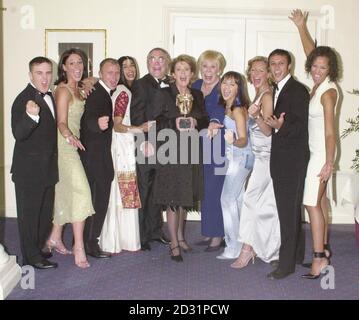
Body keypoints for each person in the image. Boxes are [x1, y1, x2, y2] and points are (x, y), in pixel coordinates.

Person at [290, 9, 340, 279]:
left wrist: (329, 162)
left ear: (330, 69)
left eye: (323, 67)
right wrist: (301, 27)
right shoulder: (319, 84)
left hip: (322, 154)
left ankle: (319, 258)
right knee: (318, 204)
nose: (318, 70)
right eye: (315, 66)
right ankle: (324, 251)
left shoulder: (328, 93)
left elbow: (331, 133)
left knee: (311, 204)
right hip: (314, 153)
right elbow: (313, 52)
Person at [152, 54, 209, 261]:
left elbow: (204, 119)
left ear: (192, 74)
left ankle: (181, 237)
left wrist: (195, 122)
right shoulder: (164, 93)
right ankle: (174, 242)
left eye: (187, 70)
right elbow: (155, 121)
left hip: (190, 150)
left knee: (185, 196)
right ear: (173, 73)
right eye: (179, 70)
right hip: (170, 149)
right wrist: (174, 122)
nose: (183, 73)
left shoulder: (197, 94)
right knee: (172, 197)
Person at [45, 48, 94, 269]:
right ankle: (79, 247)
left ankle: (55, 237)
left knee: (65, 192)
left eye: (80, 63)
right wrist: (69, 136)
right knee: (82, 191)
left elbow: (92, 79)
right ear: (63, 67)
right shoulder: (63, 90)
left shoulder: (80, 88)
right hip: (64, 146)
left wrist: (90, 81)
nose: (77, 67)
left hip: (74, 147)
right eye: (71, 63)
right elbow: (61, 121)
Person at [265, 49, 310, 280]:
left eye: (280, 63)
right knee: (291, 210)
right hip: (282, 159)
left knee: (287, 212)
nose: (276, 67)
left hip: (292, 161)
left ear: (289, 65)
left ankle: (286, 265)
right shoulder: (276, 89)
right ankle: (297, 255)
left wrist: (281, 127)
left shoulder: (298, 90)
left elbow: (301, 126)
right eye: (272, 63)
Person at [232, 57, 280, 268]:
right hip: (260, 157)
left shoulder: (267, 96)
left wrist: (258, 115)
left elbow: (269, 130)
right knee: (265, 205)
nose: (256, 74)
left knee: (251, 200)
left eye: (261, 70)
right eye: (253, 70)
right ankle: (265, 248)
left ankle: (247, 249)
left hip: (268, 158)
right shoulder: (259, 94)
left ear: (268, 73)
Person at [11, 57, 58, 269]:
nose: (45, 78)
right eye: (39, 73)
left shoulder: (51, 96)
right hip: (29, 172)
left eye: (48, 73)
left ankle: (37, 249)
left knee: (44, 215)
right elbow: (18, 134)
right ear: (30, 75)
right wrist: (31, 116)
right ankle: (31, 258)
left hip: (47, 169)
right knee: (29, 218)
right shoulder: (23, 99)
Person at [99, 57, 148, 253]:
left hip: (119, 146)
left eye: (131, 66)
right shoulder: (123, 92)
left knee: (119, 191)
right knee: (122, 191)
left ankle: (115, 239)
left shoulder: (117, 91)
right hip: (122, 147)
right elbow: (118, 125)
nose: (128, 70)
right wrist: (140, 129)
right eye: (122, 67)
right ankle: (124, 239)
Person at [130, 48, 172, 251]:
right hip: (146, 145)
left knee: (159, 191)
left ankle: (156, 231)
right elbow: (136, 115)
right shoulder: (140, 85)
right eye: (152, 59)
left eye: (160, 59)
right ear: (147, 63)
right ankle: (142, 234)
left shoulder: (173, 83)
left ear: (167, 63)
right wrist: (142, 141)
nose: (156, 63)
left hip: (167, 145)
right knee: (144, 190)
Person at [80, 58, 121, 259]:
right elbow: (88, 118)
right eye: (109, 73)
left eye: (116, 73)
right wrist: (96, 124)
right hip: (95, 157)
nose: (114, 77)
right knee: (98, 199)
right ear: (101, 73)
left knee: (96, 198)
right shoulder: (97, 94)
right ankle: (90, 243)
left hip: (98, 155)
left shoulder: (104, 91)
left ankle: (85, 240)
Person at [216, 71, 254, 260]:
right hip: (237, 159)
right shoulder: (229, 106)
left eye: (232, 84)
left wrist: (232, 141)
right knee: (236, 201)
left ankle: (232, 246)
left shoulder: (237, 109)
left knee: (227, 199)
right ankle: (240, 245)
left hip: (241, 158)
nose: (226, 87)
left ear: (239, 88)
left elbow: (244, 140)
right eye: (225, 83)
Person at [192, 50, 227, 251]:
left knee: (215, 190)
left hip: (218, 143)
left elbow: (225, 108)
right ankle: (209, 231)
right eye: (205, 66)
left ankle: (218, 235)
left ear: (219, 69)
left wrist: (215, 121)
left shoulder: (224, 87)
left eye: (213, 66)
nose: (208, 70)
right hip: (198, 143)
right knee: (204, 190)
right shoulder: (195, 85)